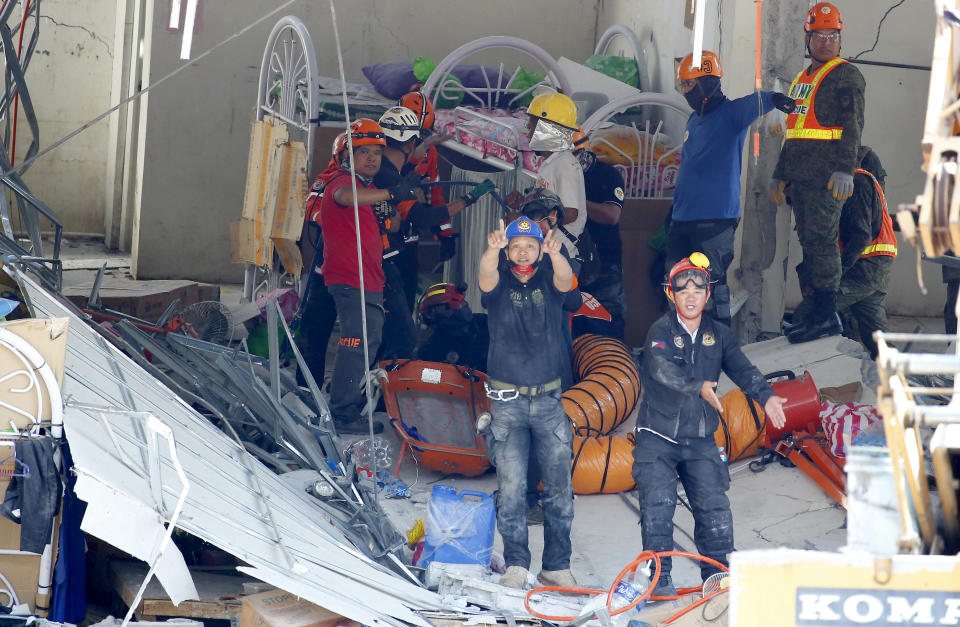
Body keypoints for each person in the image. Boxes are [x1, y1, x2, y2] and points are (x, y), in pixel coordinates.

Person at [633, 254, 787, 596]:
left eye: (698, 288)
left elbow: (743, 369)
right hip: (657, 436)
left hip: (700, 437)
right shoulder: (660, 330)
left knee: (714, 507)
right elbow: (658, 366)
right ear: (670, 294)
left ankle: (717, 577)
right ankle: (659, 580)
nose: (690, 295)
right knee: (658, 505)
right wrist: (697, 385)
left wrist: (767, 396)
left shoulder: (719, 334)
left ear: (708, 293)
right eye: (682, 289)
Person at [479, 215, 578, 590]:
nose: (523, 251)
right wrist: (491, 249)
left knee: (558, 489)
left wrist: (557, 255)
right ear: (508, 251)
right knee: (511, 488)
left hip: (550, 401)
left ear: (540, 249)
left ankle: (556, 565)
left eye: (530, 245)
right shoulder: (498, 282)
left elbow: (566, 283)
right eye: (516, 245)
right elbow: (484, 276)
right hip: (506, 404)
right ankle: (517, 564)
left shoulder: (550, 281)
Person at [666, 51, 794, 326]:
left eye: (689, 84)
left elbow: (757, 100)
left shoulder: (732, 115)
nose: (685, 91)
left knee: (708, 288)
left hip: (714, 223)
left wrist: (776, 99)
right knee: (677, 287)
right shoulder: (693, 120)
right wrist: (673, 212)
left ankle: (716, 347)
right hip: (682, 219)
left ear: (707, 83)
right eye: (683, 85)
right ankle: (683, 347)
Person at [771, 2, 866, 344]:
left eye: (833, 34)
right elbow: (794, 132)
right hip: (802, 180)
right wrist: (779, 174)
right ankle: (815, 315)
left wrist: (846, 169)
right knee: (809, 244)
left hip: (828, 178)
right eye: (819, 35)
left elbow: (853, 126)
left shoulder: (846, 75)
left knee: (823, 244)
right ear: (807, 38)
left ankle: (827, 317)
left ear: (840, 39)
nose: (826, 41)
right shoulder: (801, 79)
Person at [321, 118, 421, 435]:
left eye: (377, 152)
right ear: (346, 155)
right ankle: (342, 412)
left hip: (369, 280)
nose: (372, 158)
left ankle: (347, 404)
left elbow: (389, 226)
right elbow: (345, 199)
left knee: (367, 341)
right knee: (357, 343)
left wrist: (389, 212)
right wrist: (390, 194)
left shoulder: (365, 189)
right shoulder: (340, 182)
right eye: (364, 152)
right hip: (352, 279)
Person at [375, 106, 495, 359]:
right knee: (400, 331)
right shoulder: (389, 176)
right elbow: (424, 214)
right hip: (385, 255)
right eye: (419, 138)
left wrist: (445, 235)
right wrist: (469, 198)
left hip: (400, 246)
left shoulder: (394, 164)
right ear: (409, 142)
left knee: (398, 317)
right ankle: (385, 377)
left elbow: (435, 197)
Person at [785, 147, 896, 357]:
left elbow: (861, 237)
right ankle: (898, 376)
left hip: (866, 268)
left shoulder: (858, 183)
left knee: (807, 313)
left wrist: (835, 274)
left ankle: (814, 372)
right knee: (876, 338)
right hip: (869, 269)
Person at [507, 91, 587, 269]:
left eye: (532, 129)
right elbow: (550, 204)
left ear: (549, 130)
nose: (528, 135)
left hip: (561, 257)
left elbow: (571, 212)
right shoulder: (549, 163)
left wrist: (525, 220)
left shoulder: (564, 164)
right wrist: (524, 203)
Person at [572, 129, 628, 339]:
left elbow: (612, 215)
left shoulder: (608, 175)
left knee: (609, 322)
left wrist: (574, 202)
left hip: (605, 262)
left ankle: (616, 367)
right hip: (571, 261)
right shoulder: (558, 175)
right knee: (575, 325)